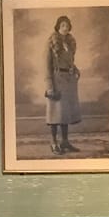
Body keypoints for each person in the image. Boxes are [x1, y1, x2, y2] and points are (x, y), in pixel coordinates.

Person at [44, 15, 81, 154]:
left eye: (67, 25)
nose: (65, 28)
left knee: (65, 113)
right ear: (58, 27)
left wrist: (76, 70)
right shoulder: (52, 42)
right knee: (55, 114)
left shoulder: (69, 43)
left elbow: (69, 61)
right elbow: (47, 65)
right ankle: (53, 143)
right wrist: (50, 86)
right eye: (62, 25)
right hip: (56, 80)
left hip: (68, 80)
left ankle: (64, 142)